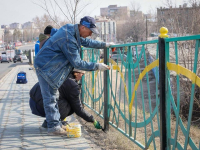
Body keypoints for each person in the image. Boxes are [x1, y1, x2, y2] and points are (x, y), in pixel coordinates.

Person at [34, 16, 113, 135]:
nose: (91, 34)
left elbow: (87, 42)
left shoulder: (72, 30)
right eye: (90, 31)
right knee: (50, 97)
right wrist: (97, 66)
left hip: (49, 66)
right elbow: (77, 62)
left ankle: (54, 123)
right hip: (46, 67)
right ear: (83, 27)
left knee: (53, 95)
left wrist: (104, 44)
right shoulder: (68, 38)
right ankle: (53, 127)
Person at [29, 69, 102, 130]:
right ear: (76, 73)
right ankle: (52, 124)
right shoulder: (72, 84)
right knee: (70, 106)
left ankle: (51, 121)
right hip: (40, 106)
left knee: (66, 101)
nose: (82, 76)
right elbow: (78, 108)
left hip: (34, 101)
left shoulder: (63, 74)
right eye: (82, 74)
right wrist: (92, 119)